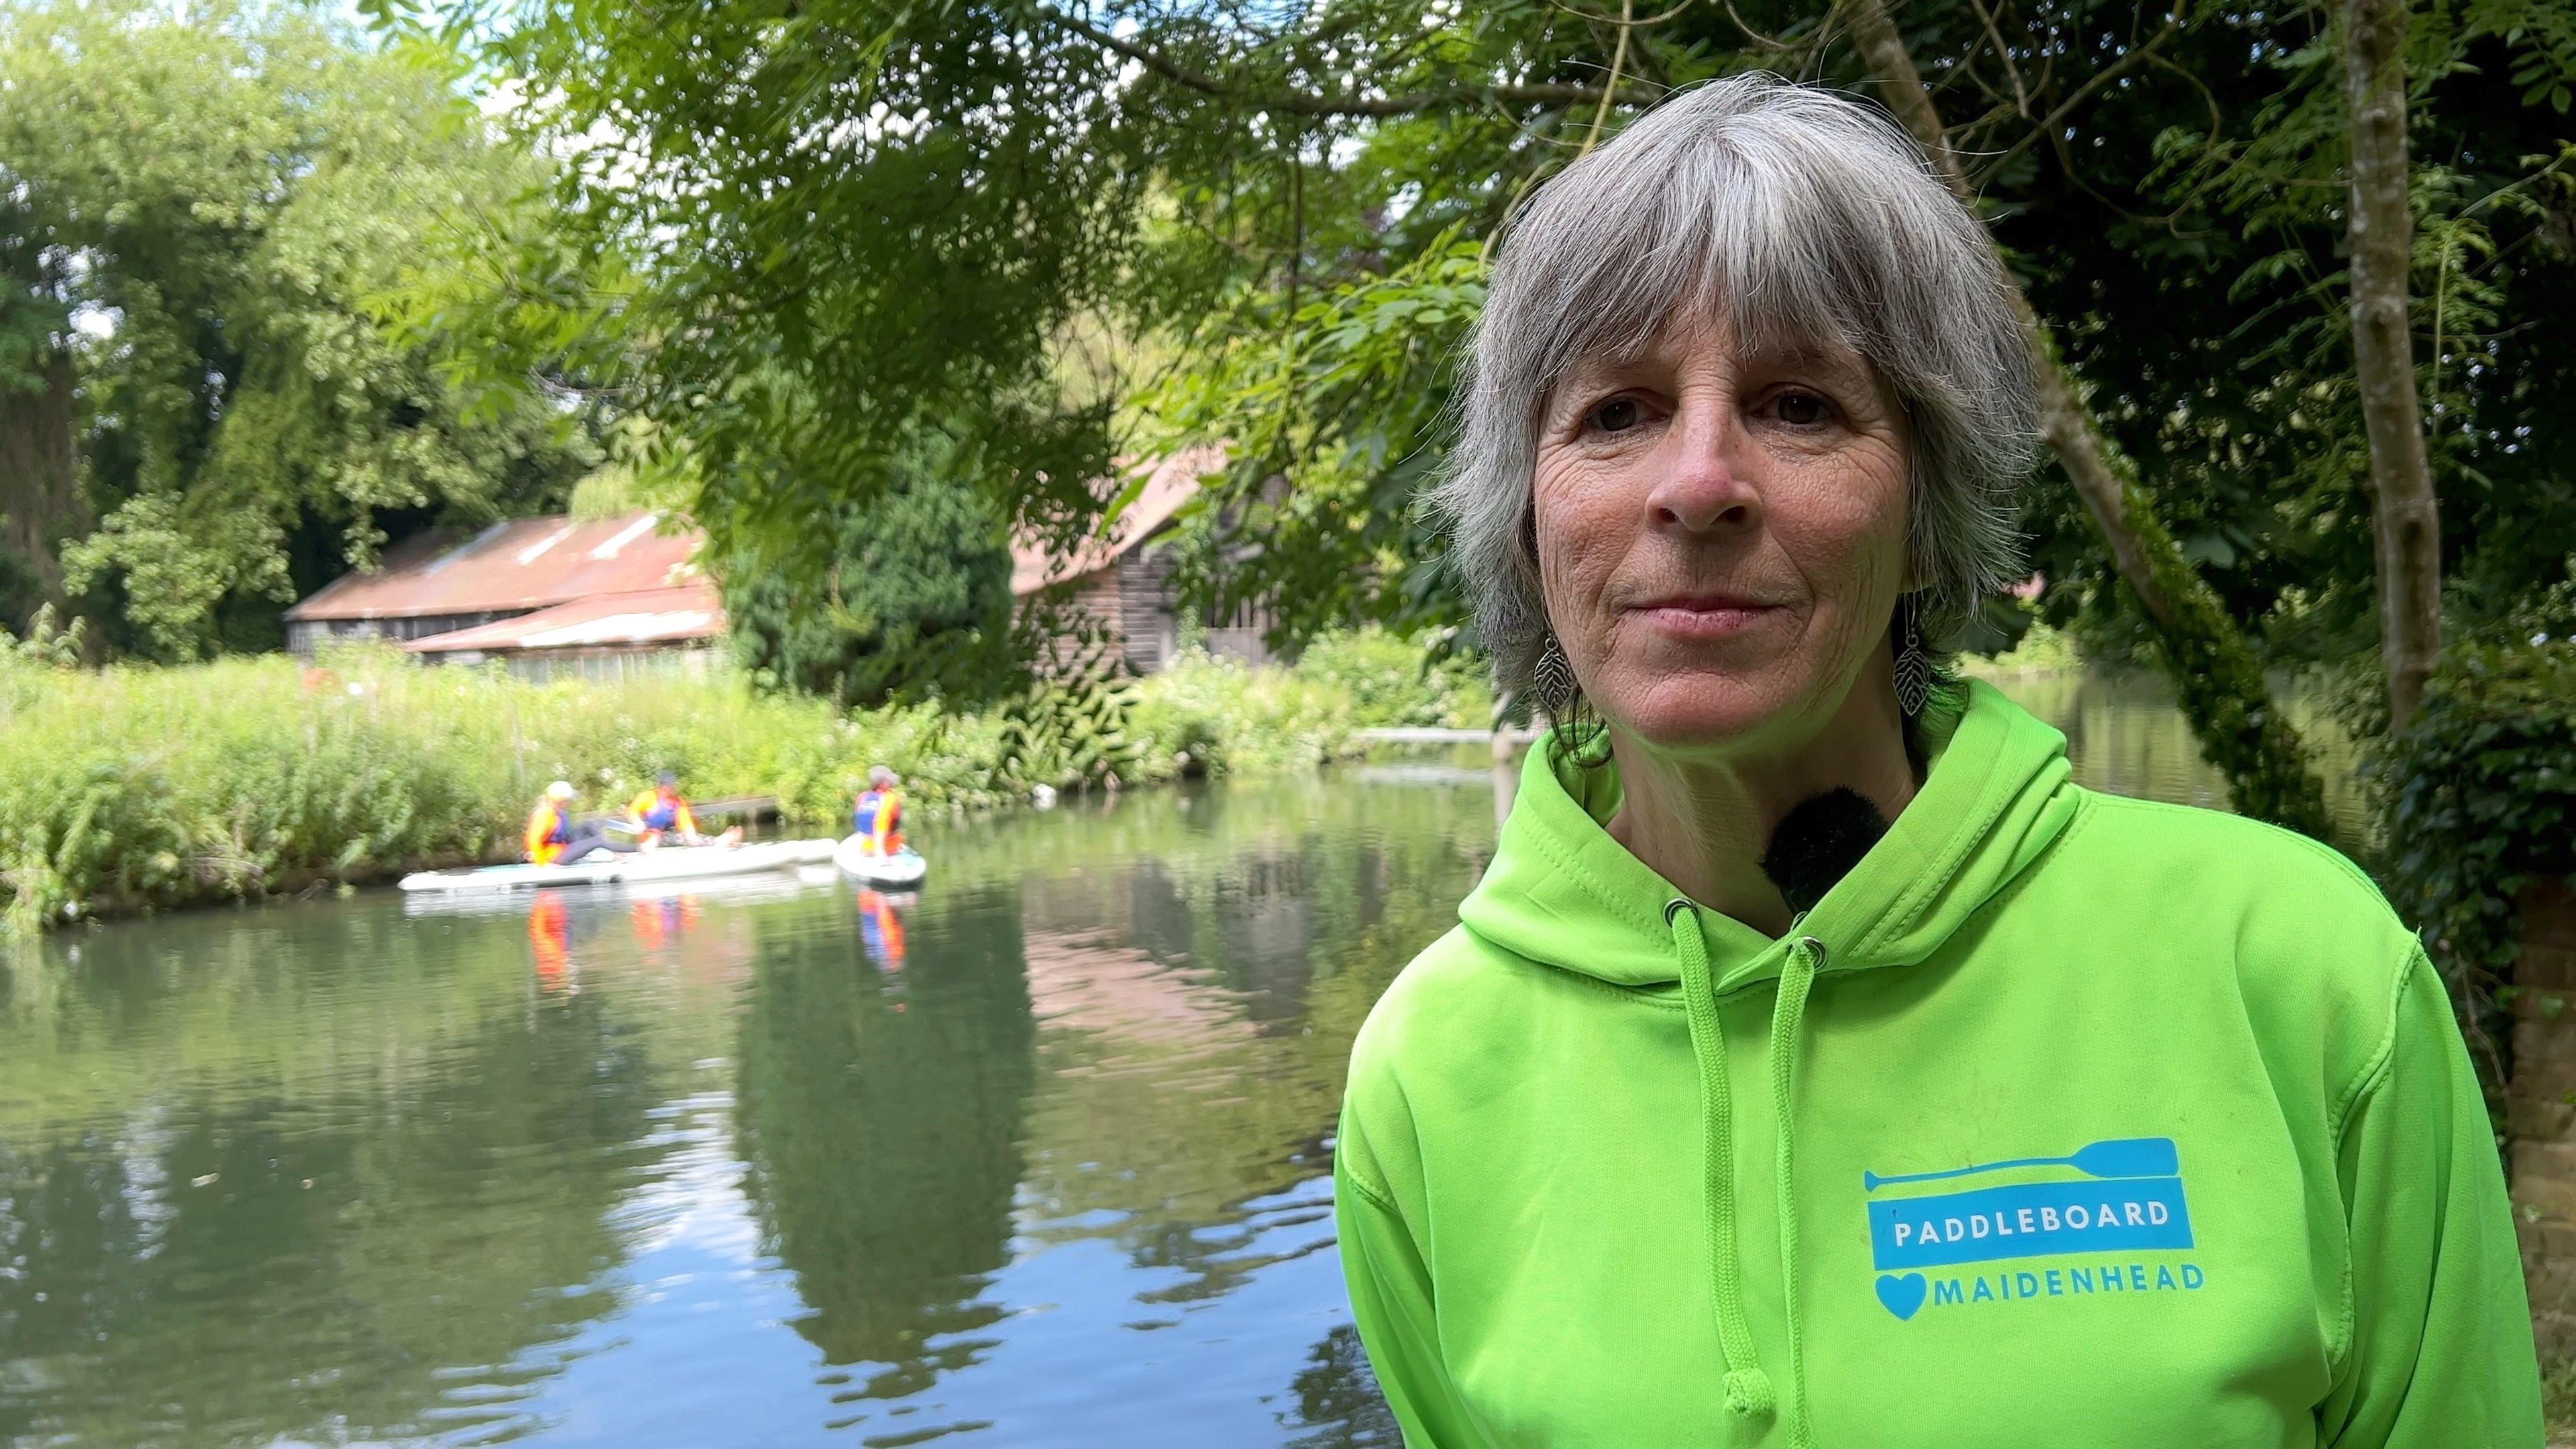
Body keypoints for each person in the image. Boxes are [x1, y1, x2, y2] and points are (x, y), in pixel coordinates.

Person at [1334, 75, 2540, 1448]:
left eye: (1799, 404)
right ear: (1529, 522)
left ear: (1923, 513)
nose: (1699, 480)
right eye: (1616, 412)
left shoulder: (2305, 975)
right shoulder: (1428, 1075)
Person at [525, 780, 635, 866]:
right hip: (554, 857)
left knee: (587, 825)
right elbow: (533, 840)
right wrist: (542, 864)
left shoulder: (559, 812)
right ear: (560, 800)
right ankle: (638, 848)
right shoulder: (545, 814)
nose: (570, 802)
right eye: (568, 800)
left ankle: (613, 852)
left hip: (562, 848)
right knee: (597, 841)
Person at [627, 769, 739, 849]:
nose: (670, 788)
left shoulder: (679, 803)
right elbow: (631, 812)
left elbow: (686, 824)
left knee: (687, 837)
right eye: (666, 785)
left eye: (672, 784)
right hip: (649, 837)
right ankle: (719, 841)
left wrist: (692, 837)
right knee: (658, 838)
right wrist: (637, 822)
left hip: (667, 837)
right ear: (660, 786)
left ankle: (718, 841)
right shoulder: (648, 797)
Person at [851, 765, 905, 857]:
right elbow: (881, 821)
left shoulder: (862, 797)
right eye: (889, 781)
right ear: (882, 783)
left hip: (866, 848)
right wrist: (880, 851)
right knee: (899, 837)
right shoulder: (890, 797)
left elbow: (858, 823)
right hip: (888, 849)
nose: (892, 783)